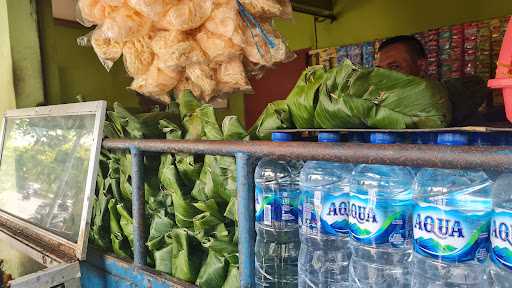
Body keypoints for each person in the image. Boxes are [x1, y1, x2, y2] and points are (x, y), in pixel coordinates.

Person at [376, 35, 503, 126]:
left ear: (421, 67)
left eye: (395, 67)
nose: (385, 77)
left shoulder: (456, 102)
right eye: (379, 71)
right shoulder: (378, 109)